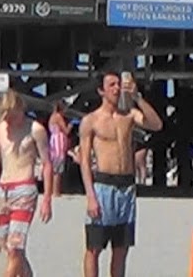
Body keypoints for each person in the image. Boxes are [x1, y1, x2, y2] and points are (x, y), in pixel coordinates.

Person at [80, 71, 163, 277]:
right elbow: (84, 161)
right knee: (94, 247)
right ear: (101, 90)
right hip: (103, 186)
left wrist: (137, 97)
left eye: (119, 84)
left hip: (126, 186)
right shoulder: (91, 121)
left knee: (121, 248)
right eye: (111, 85)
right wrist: (90, 196)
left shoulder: (129, 115)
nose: (117, 88)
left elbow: (156, 124)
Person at [0, 91, 54, 277]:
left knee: (15, 247)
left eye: (11, 116)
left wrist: (47, 198)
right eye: (5, 117)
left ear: (20, 109)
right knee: (9, 248)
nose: (8, 121)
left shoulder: (35, 129)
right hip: (3, 191)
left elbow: (47, 164)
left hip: (25, 190)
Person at [118, 74, 150, 184]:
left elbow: (154, 123)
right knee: (135, 162)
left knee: (140, 162)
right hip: (132, 132)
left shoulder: (137, 104)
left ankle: (143, 181)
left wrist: (137, 97)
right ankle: (138, 180)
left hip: (139, 134)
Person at [47, 100, 71, 197]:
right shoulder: (58, 117)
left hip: (53, 141)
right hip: (59, 142)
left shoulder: (52, 117)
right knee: (58, 169)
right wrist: (70, 125)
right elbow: (66, 131)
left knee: (54, 168)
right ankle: (56, 191)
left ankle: (51, 190)